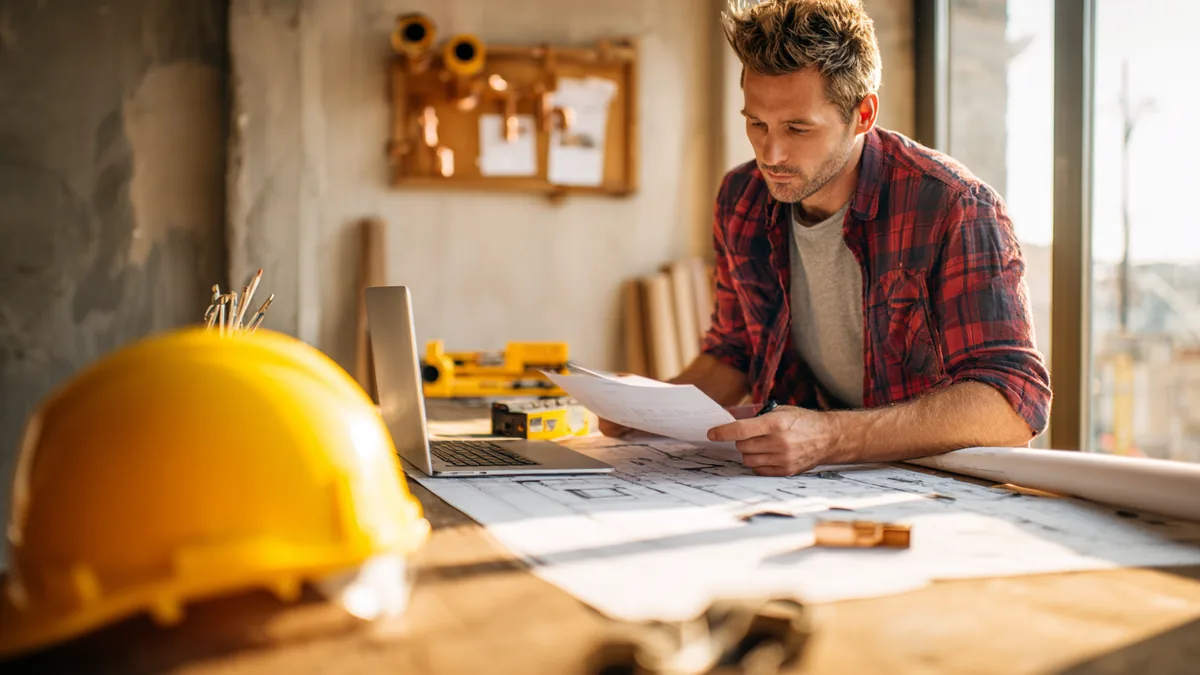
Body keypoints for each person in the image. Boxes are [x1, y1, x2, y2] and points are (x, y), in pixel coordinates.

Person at [600, 0, 1052, 476]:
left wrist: (830, 437)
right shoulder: (742, 198)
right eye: (756, 123)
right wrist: (647, 409)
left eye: (798, 128)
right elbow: (734, 353)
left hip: (938, 483)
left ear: (863, 114)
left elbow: (1013, 402)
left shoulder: (955, 206)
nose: (771, 154)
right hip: (817, 483)